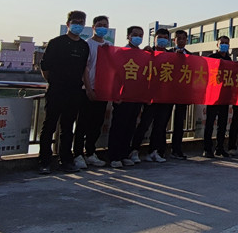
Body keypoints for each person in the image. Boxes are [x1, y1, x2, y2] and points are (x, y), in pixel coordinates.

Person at [38, 10, 90, 174]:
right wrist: (54, 82)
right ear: (68, 24)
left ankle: (66, 160)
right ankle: (44, 161)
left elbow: (84, 69)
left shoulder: (83, 46)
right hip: (56, 90)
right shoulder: (56, 43)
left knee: (68, 128)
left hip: (74, 91)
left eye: (81, 22)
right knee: (49, 126)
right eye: (75, 22)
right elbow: (45, 67)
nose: (78, 25)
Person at [129, 28, 173, 164]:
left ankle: (153, 151)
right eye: (160, 37)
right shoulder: (147, 53)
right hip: (150, 96)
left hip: (165, 96)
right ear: (154, 39)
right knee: (144, 124)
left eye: (165, 38)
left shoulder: (171, 56)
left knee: (160, 125)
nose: (162, 40)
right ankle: (134, 150)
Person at [73, 15, 111, 169]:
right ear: (93, 27)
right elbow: (85, 68)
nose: (103, 28)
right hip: (86, 90)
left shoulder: (108, 45)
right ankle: (77, 154)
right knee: (82, 123)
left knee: (96, 124)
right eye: (100, 25)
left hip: (102, 91)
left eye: (105, 25)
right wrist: (88, 89)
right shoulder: (87, 44)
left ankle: (90, 153)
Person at [108, 26, 146, 168]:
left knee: (130, 126)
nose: (138, 37)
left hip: (136, 96)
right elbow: (114, 75)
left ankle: (124, 154)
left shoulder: (142, 54)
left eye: (140, 35)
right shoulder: (121, 53)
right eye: (135, 34)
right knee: (119, 125)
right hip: (122, 96)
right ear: (128, 36)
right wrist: (115, 94)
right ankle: (114, 156)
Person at [203, 36, 233, 158]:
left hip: (224, 96)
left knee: (223, 123)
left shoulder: (229, 60)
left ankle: (220, 148)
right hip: (213, 96)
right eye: (222, 43)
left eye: (226, 43)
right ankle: (207, 149)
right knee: (210, 123)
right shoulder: (211, 57)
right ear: (217, 45)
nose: (224, 45)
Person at [168, 30, 192, 160]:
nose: (181, 40)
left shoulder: (190, 56)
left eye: (184, 38)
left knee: (179, 122)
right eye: (179, 38)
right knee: (163, 121)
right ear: (174, 40)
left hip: (183, 94)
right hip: (167, 93)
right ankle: (158, 150)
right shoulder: (167, 54)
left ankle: (177, 149)